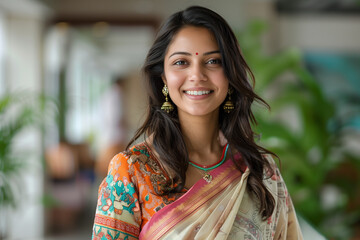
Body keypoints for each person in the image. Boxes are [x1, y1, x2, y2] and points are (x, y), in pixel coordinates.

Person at [92, 6, 303, 240]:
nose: (197, 75)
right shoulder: (131, 172)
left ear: (231, 73)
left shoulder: (261, 171)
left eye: (213, 61)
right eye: (181, 62)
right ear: (163, 76)